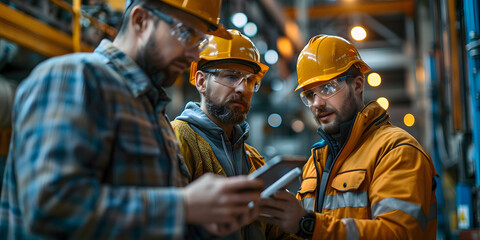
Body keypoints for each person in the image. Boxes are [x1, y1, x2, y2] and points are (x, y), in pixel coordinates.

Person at [0, 0, 264, 239]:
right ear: (140, 21)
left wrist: (204, 221)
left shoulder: (153, 114)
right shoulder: (75, 78)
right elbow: (50, 208)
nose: (194, 54)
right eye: (186, 34)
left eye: (200, 42)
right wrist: (183, 206)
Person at [258, 35, 438, 239]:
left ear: (358, 85)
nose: (317, 103)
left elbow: (398, 234)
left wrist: (308, 224)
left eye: (327, 88)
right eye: (309, 95)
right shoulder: (316, 161)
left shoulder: (396, 151)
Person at [171, 29, 299, 239]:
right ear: (201, 81)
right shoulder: (177, 139)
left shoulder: (255, 160)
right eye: (232, 76)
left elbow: (275, 233)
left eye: (250, 80)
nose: (243, 89)